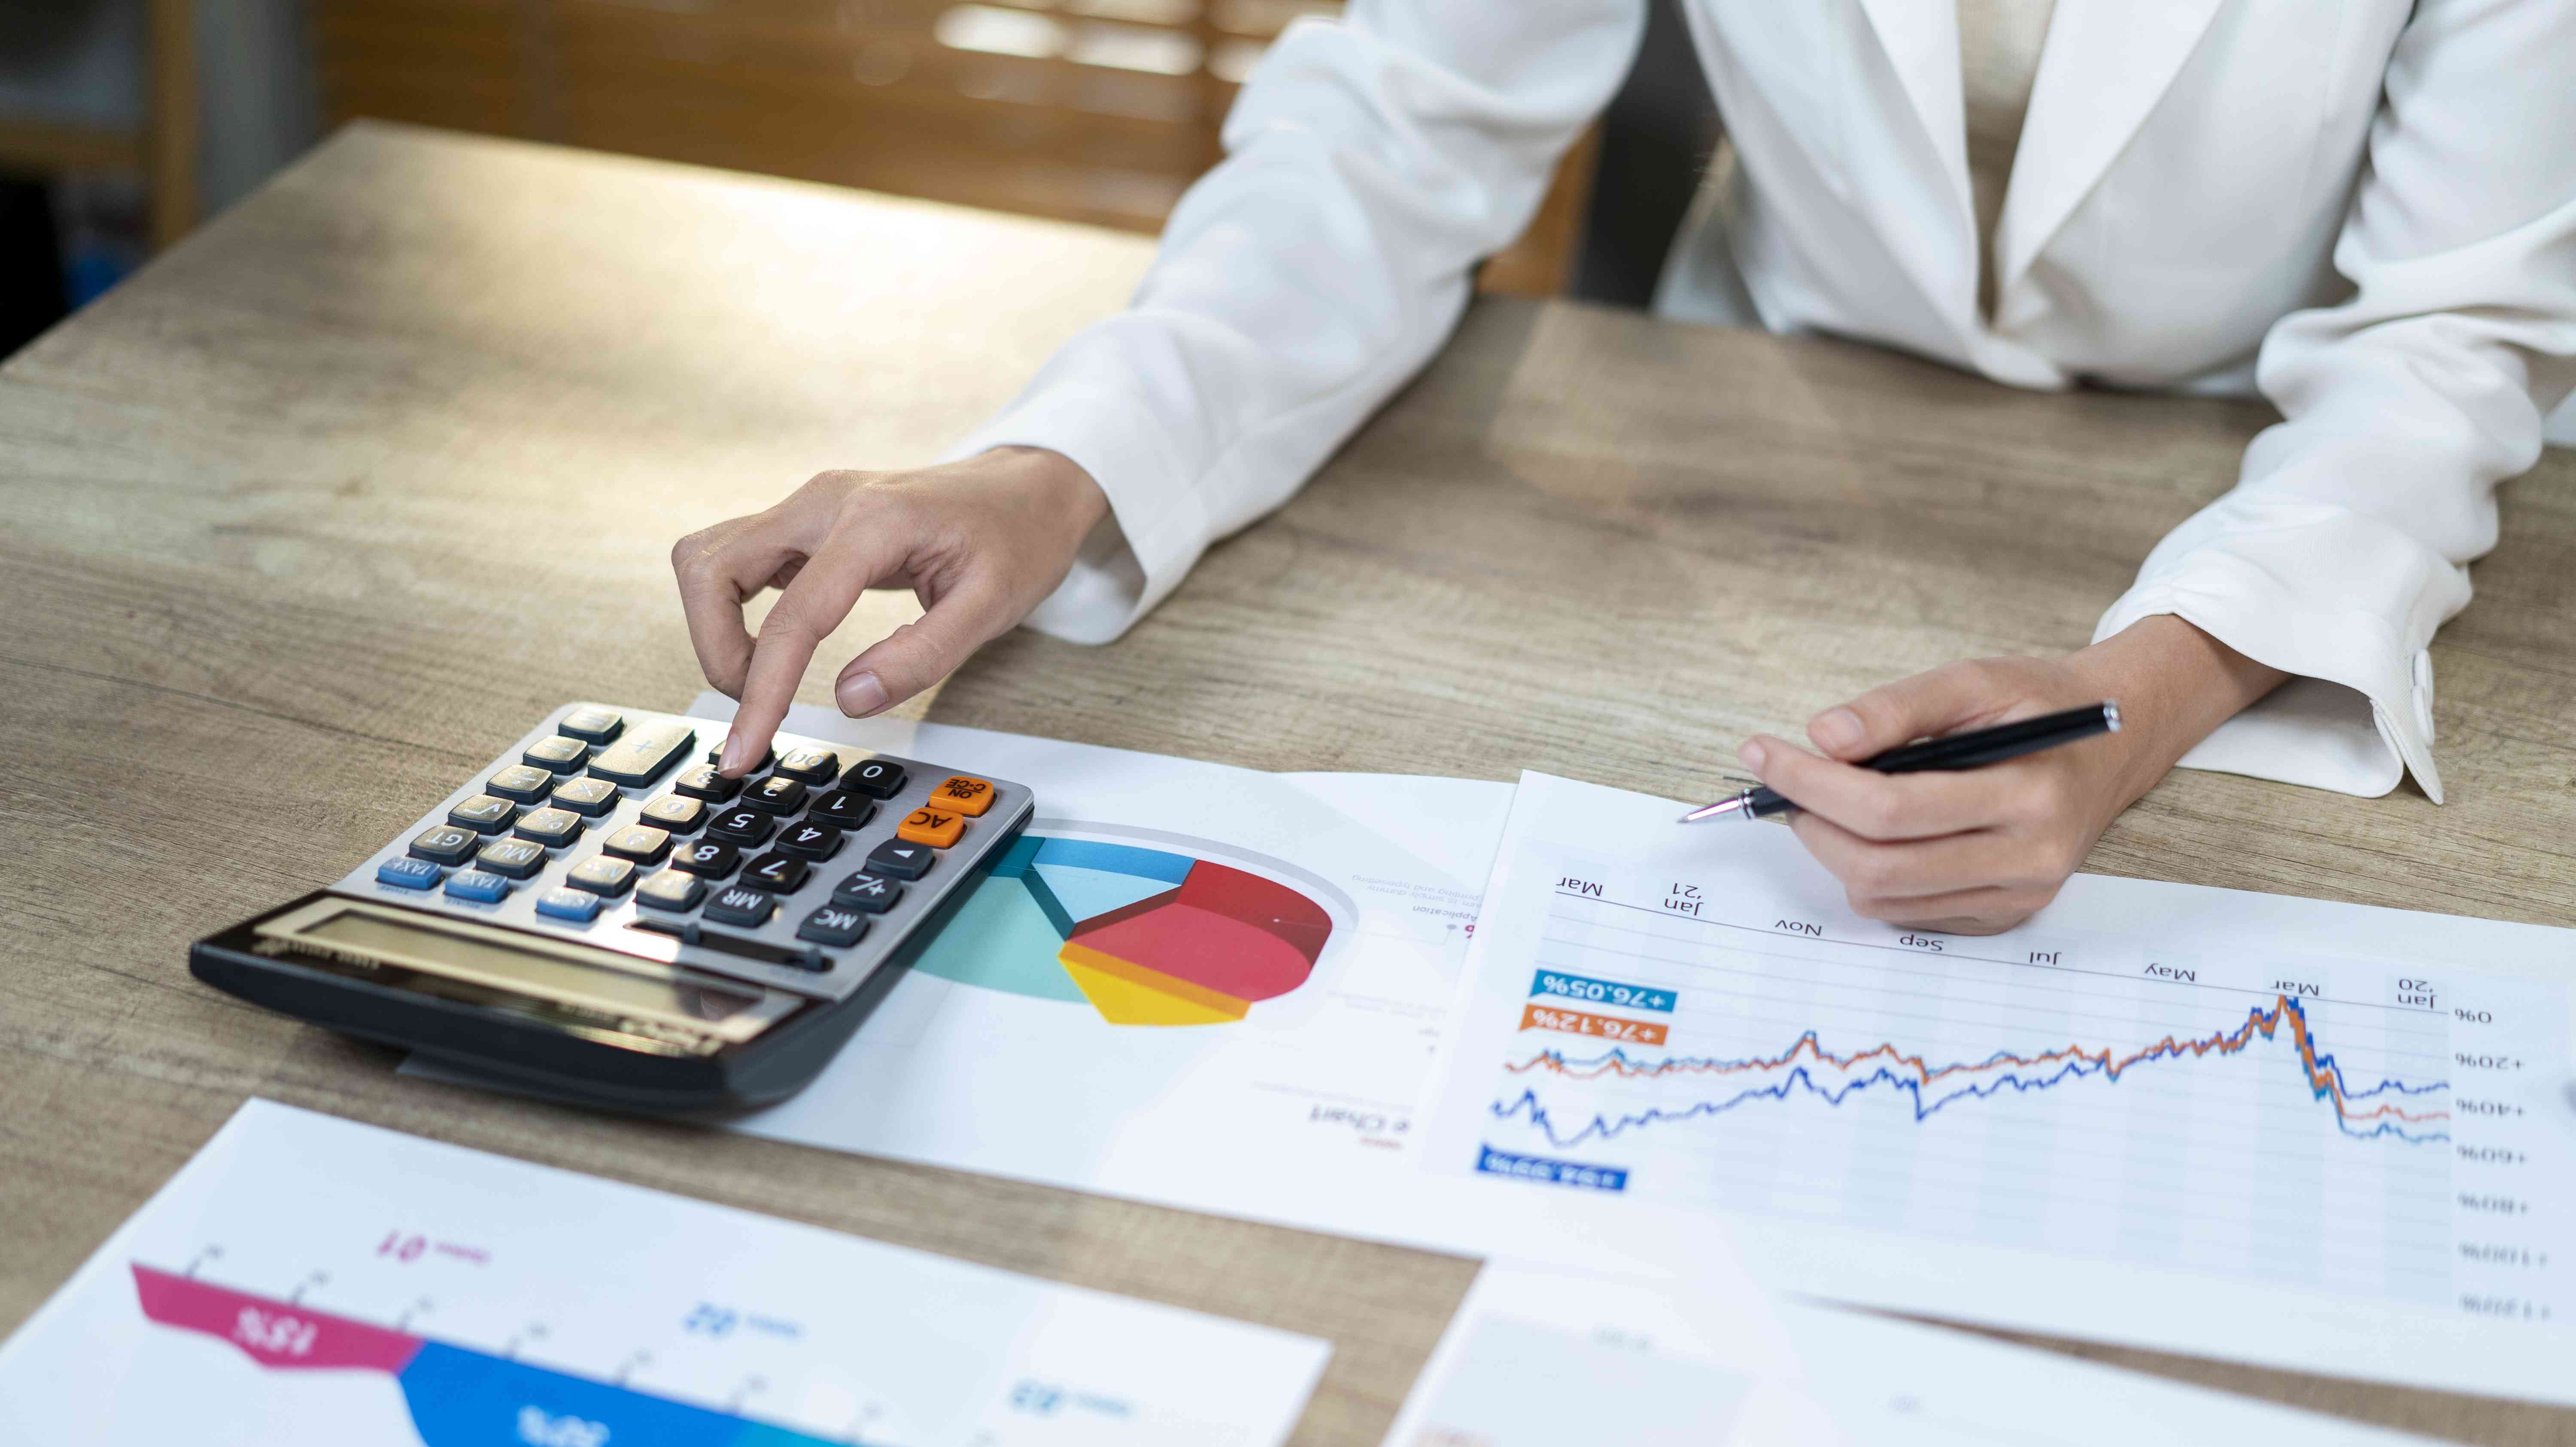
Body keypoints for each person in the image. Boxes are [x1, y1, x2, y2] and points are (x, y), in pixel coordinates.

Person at [672, 0, 2575, 934]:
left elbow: (2452, 332)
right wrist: (1068, 458)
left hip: (2267, 464)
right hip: (1757, 413)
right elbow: (1403, 124)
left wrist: (2159, 689)